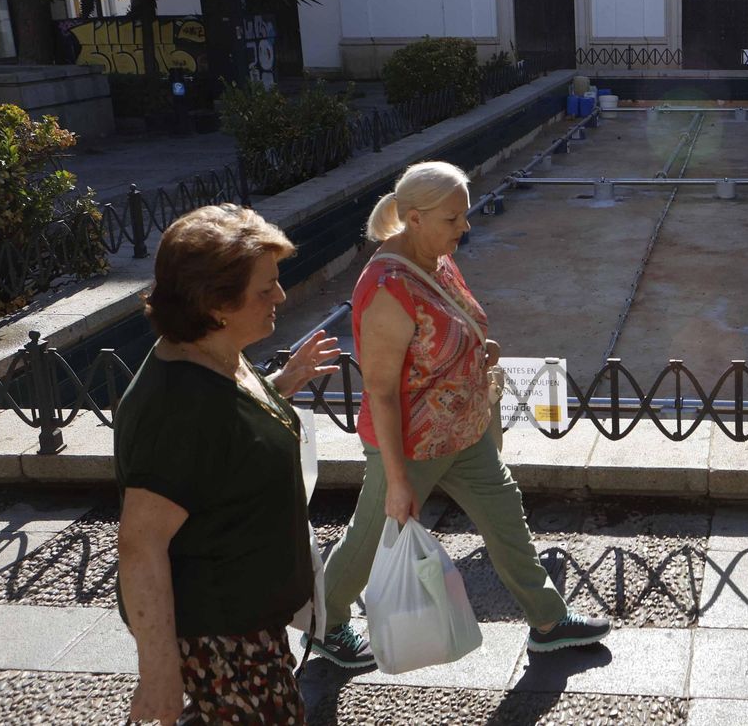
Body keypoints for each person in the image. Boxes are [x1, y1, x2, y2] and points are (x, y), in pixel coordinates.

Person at [315, 161, 611, 669]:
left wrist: (478, 348)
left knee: (505, 518)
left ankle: (547, 621)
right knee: (369, 540)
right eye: (453, 219)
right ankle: (327, 623)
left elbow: (447, 328)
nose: (464, 228)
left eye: (464, 217)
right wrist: (397, 478)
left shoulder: (437, 259)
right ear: (413, 218)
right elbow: (381, 392)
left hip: (463, 431)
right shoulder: (388, 288)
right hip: (409, 445)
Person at [115, 204, 343, 725]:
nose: (280, 297)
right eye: (266, 289)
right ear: (217, 302)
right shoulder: (178, 406)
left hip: (249, 624)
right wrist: (159, 676)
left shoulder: (217, 355)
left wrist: (283, 384)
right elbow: (140, 542)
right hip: (223, 639)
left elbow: (232, 438)